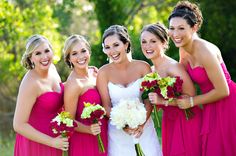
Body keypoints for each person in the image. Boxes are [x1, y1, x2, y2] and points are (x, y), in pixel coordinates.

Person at [168, 1, 236, 156]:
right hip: (209, 104)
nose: (175, 34)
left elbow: (223, 90)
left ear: (194, 27)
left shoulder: (204, 51)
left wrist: (191, 102)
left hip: (228, 104)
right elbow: (179, 75)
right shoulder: (183, 49)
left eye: (181, 28)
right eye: (171, 28)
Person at [97, 25, 162, 156]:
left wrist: (141, 124)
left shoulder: (143, 67)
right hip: (118, 135)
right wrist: (124, 125)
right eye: (107, 47)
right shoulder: (103, 73)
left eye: (116, 45)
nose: (112, 51)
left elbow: (148, 100)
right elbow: (106, 106)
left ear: (126, 44)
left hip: (144, 130)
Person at [140, 23, 202, 156]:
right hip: (169, 122)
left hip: (186, 121)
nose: (147, 46)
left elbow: (191, 96)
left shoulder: (173, 67)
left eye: (153, 41)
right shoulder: (151, 71)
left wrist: (163, 101)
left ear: (163, 42)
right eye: (144, 42)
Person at [13, 35, 68, 156]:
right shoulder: (30, 83)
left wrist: (82, 74)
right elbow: (18, 125)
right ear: (31, 58)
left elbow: (55, 94)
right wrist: (52, 142)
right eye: (38, 53)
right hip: (37, 145)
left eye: (47, 51)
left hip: (57, 140)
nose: (44, 57)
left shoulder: (52, 69)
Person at [63, 34, 108, 156]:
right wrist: (89, 129)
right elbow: (68, 120)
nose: (80, 57)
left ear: (89, 52)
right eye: (74, 53)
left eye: (83, 51)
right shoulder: (73, 84)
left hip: (102, 133)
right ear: (69, 58)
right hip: (84, 140)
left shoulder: (95, 72)